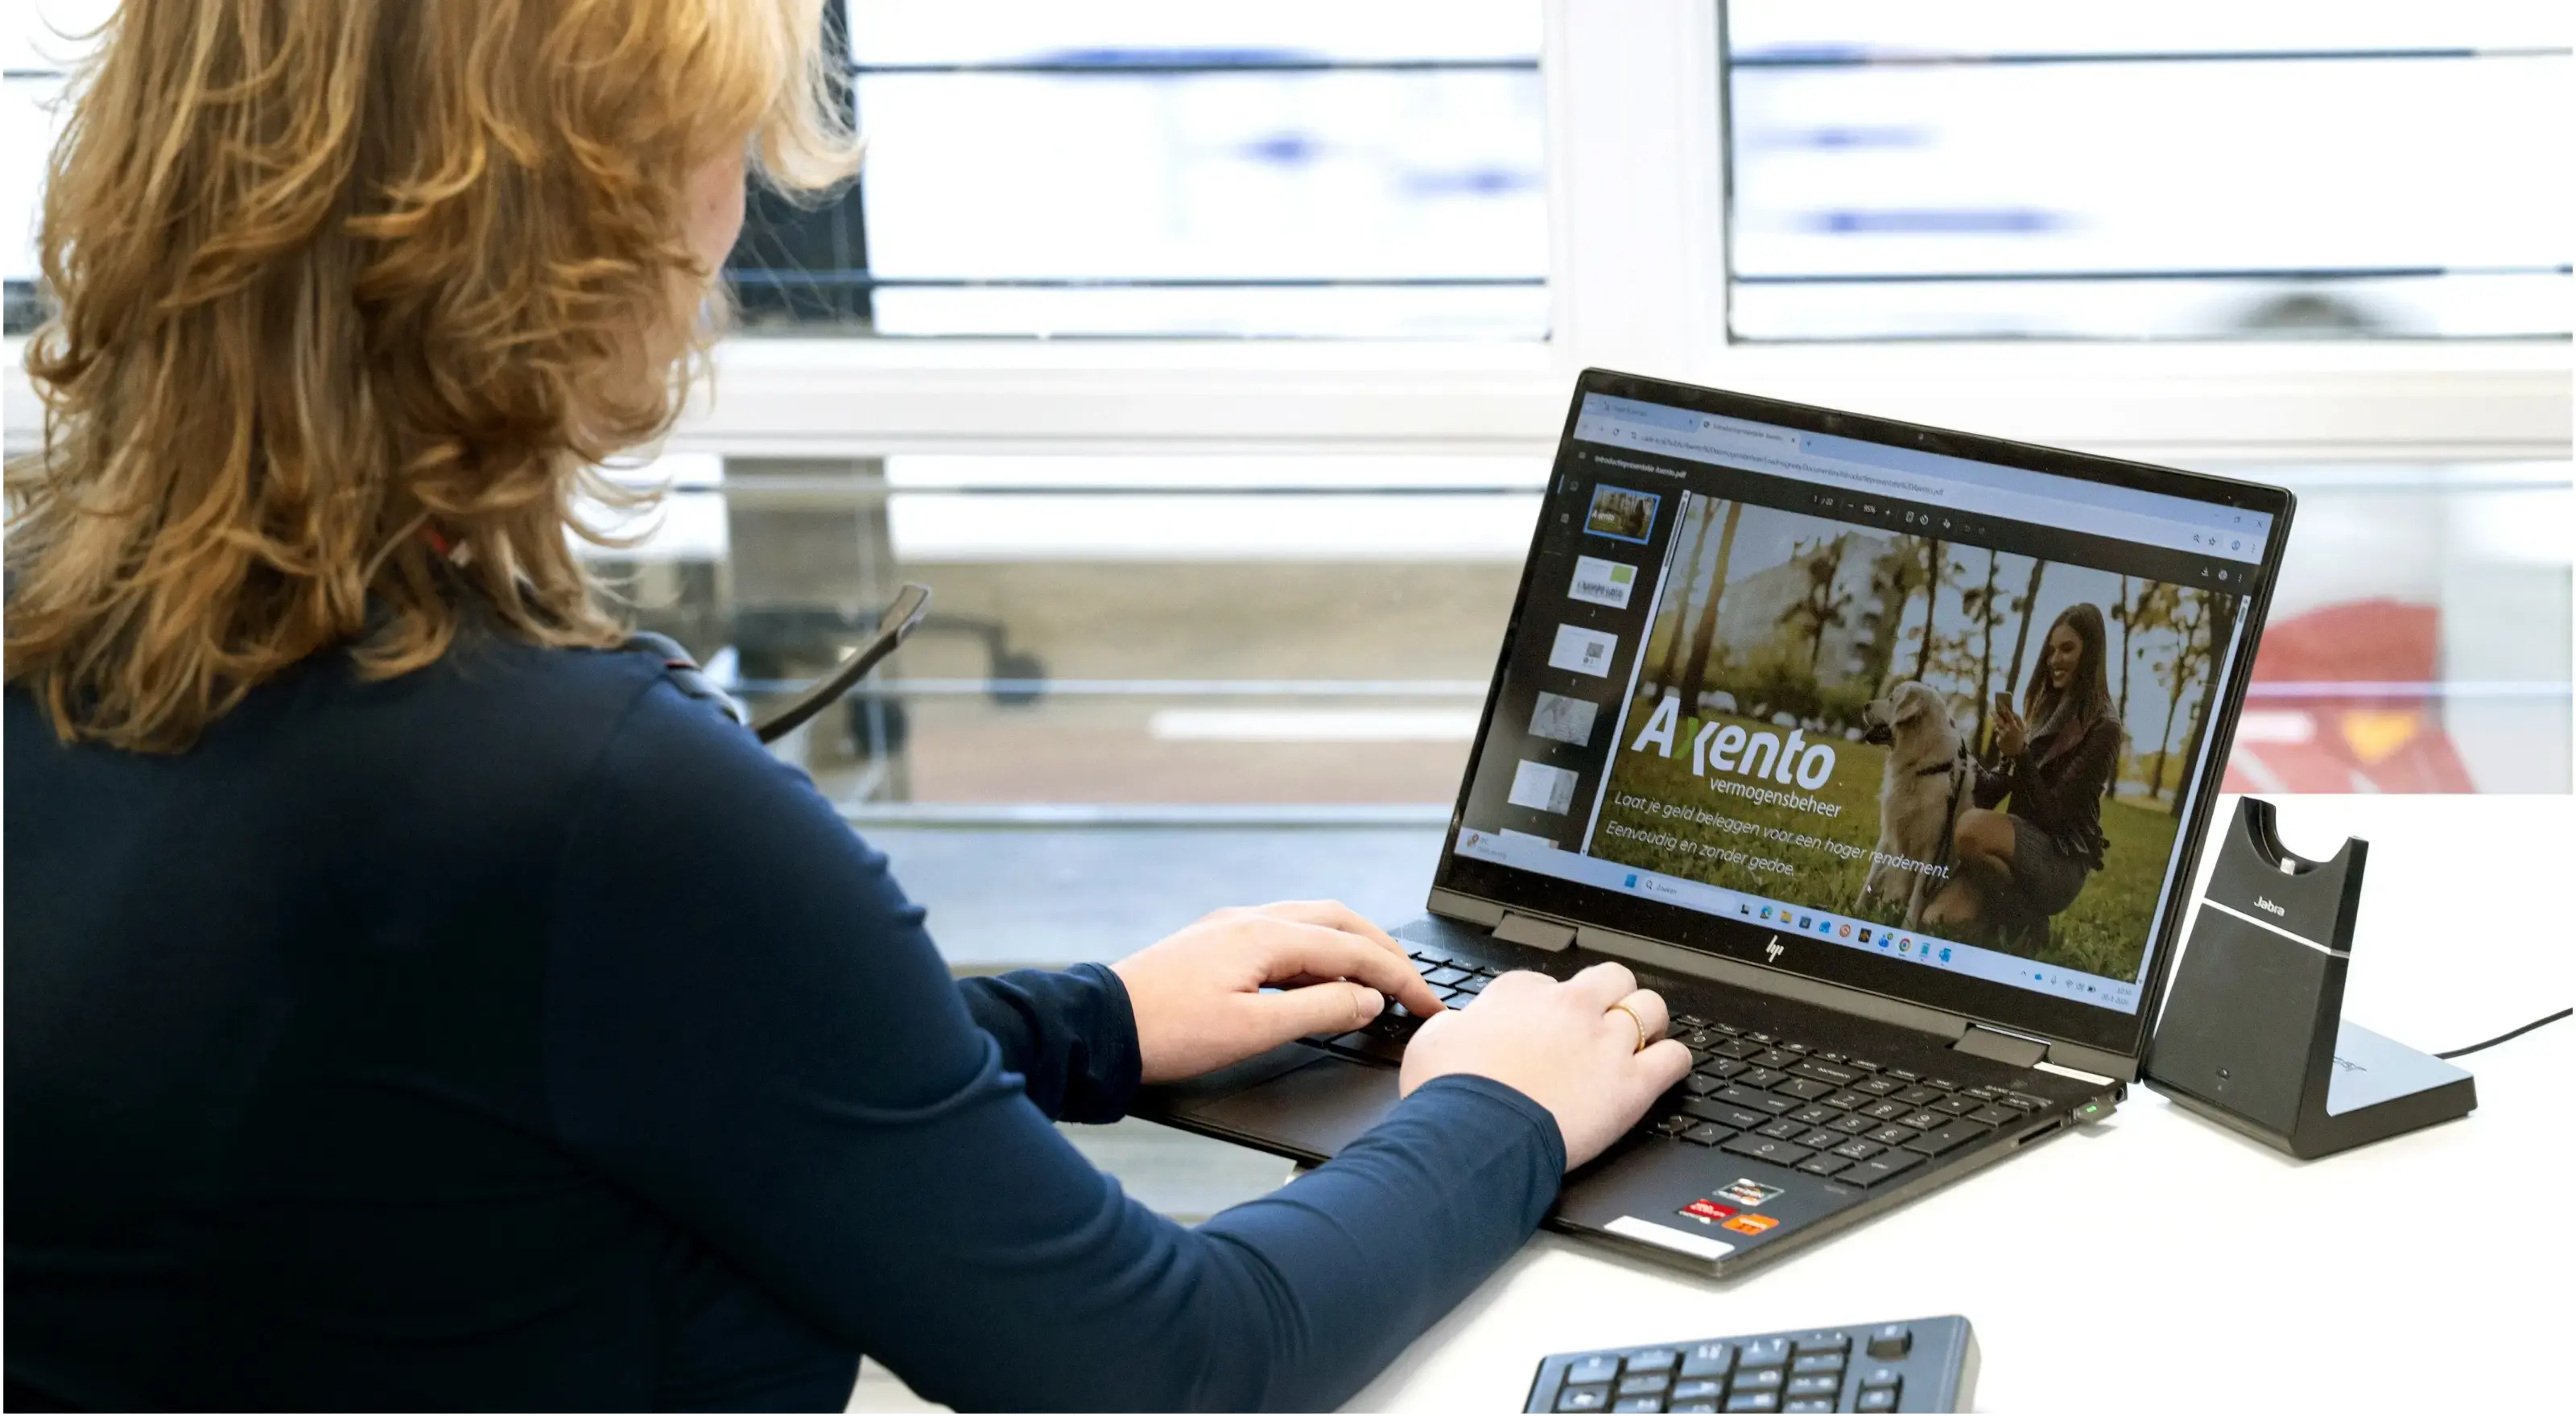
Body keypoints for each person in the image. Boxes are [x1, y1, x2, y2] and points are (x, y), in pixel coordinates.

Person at [0, 3, 1690, 1411]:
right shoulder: (589, 794)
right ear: (571, 232)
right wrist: (1495, 1106)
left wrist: (1083, 1021)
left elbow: (496, 1068)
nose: (735, 215)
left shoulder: (49, 631)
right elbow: (1172, 1364)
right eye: (712, 149)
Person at [1918, 604, 2123, 944]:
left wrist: (2021, 754)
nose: (2054, 660)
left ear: (2091, 653)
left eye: (2067, 649)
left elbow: (2056, 817)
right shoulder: (2042, 711)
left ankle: (2024, 921)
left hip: (2059, 859)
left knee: (1970, 830)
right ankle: (2018, 920)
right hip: (2010, 848)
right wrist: (1952, 748)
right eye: (2051, 651)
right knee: (1934, 921)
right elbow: (1992, 791)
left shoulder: (2105, 727)